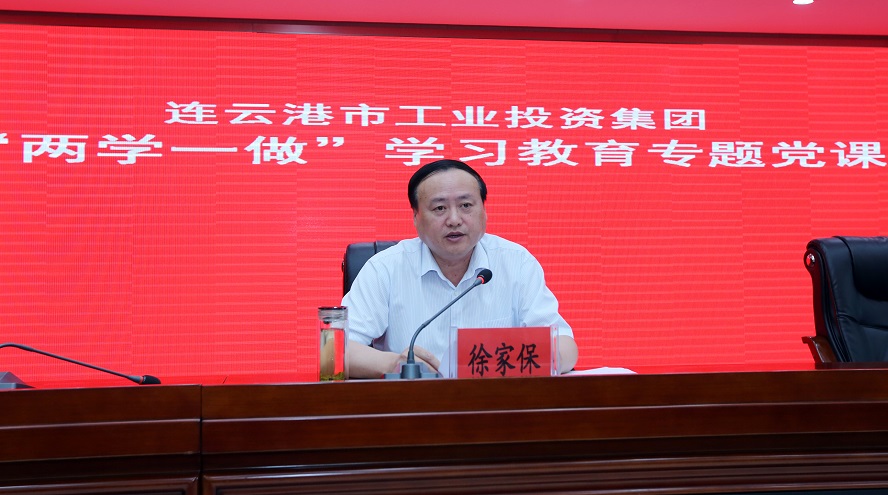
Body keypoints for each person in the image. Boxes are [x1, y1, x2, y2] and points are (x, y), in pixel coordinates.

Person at [342, 159, 578, 378]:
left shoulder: (517, 263)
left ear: (484, 211)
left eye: (466, 205)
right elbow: (337, 349)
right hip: (412, 403)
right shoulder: (385, 269)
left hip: (496, 401)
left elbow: (565, 347)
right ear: (416, 217)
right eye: (439, 208)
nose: (454, 219)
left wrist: (500, 362)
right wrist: (395, 364)